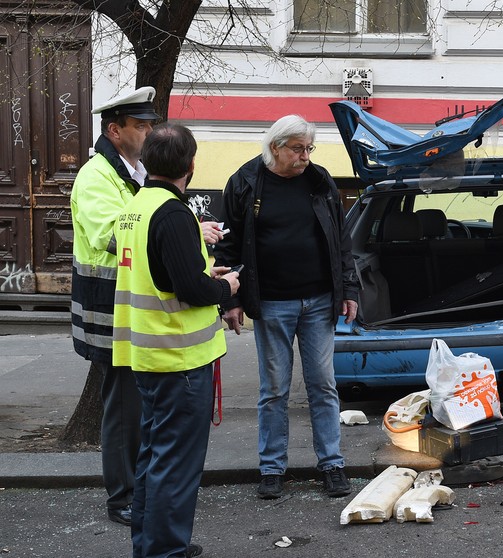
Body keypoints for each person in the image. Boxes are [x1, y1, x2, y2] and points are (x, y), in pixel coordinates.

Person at [70, 87, 226, 527]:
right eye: (140, 126)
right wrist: (184, 231)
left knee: (140, 411)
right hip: (111, 309)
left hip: (134, 307)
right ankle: (123, 497)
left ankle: (143, 494)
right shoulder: (96, 175)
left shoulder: (133, 172)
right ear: (114, 131)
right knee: (123, 409)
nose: (147, 132)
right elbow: (115, 235)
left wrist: (188, 229)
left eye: (149, 125)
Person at [213, 114, 359, 500]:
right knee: (274, 389)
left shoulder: (320, 180)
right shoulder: (245, 181)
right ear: (275, 146)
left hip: (319, 301)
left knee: (323, 385)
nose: (305, 156)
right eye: (298, 149)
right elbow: (227, 246)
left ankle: (332, 464)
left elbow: (341, 241)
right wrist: (230, 300)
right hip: (272, 302)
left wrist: (349, 289)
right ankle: (272, 468)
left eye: (309, 148)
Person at [112, 122, 240, 558]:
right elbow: (191, 290)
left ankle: (151, 545)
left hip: (149, 356)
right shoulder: (174, 213)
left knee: (153, 459)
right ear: (190, 164)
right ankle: (165, 550)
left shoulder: (135, 207)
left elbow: (161, 274)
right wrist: (227, 288)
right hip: (180, 360)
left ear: (146, 161)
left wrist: (205, 274)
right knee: (176, 466)